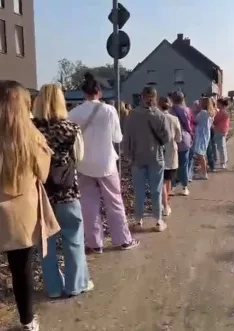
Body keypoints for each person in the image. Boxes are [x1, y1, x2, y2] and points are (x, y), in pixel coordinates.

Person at [0, 80, 60, 331]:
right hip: (20, 215)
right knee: (20, 268)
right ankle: (27, 320)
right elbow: (44, 173)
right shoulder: (31, 135)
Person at [32, 84, 94, 299]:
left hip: (39, 194)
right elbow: (79, 158)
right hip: (67, 191)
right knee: (73, 238)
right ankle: (76, 284)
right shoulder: (70, 128)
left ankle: (54, 287)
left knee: (45, 242)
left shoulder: (30, 129)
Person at [68, 73, 139, 253]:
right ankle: (122, 240)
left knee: (89, 204)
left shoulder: (73, 113)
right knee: (114, 201)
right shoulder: (109, 110)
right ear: (99, 92)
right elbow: (117, 137)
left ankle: (94, 243)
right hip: (106, 163)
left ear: (83, 93)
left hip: (84, 164)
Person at [123, 87, 171, 231]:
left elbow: (127, 138)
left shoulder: (132, 115)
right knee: (156, 190)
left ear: (141, 97)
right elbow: (167, 137)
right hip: (156, 157)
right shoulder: (160, 115)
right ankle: (158, 221)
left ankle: (138, 220)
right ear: (155, 98)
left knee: (139, 191)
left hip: (137, 158)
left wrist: (128, 156)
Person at [158, 96, 181, 216]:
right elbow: (179, 137)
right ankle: (166, 204)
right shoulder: (174, 119)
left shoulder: (157, 118)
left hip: (159, 152)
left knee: (161, 181)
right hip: (171, 151)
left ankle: (164, 204)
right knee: (168, 179)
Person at [170, 92, 193, 196]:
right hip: (184, 140)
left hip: (172, 140)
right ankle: (184, 186)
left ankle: (172, 185)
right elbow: (188, 125)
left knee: (173, 164)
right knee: (184, 164)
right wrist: (191, 133)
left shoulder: (169, 110)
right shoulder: (186, 110)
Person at [193, 97, 215, 180]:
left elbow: (195, 120)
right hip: (206, 133)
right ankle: (203, 171)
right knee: (202, 153)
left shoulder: (203, 113)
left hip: (201, 134)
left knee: (200, 154)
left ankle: (204, 173)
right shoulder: (210, 113)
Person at [213, 98, 231, 169]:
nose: (217, 105)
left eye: (218, 103)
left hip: (220, 130)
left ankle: (223, 162)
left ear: (221, 104)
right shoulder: (225, 112)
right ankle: (224, 161)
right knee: (222, 147)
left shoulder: (221, 113)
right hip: (223, 130)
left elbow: (215, 121)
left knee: (220, 147)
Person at [206, 99, 218, 172]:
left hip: (209, 129)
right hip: (213, 129)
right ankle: (214, 160)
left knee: (209, 148)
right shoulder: (214, 110)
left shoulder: (207, 112)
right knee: (213, 145)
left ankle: (211, 164)